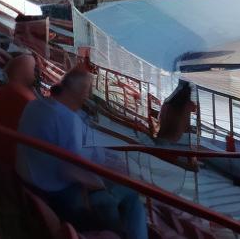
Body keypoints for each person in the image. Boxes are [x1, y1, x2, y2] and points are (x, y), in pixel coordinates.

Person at [16, 69, 147, 239]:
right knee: (130, 196)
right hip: (62, 199)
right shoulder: (68, 120)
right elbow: (72, 171)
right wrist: (103, 183)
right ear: (80, 93)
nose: (87, 97)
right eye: (87, 92)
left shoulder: (35, 105)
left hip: (30, 182)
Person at [0, 54, 37, 167]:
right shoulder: (27, 100)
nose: (35, 74)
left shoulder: (1, 93)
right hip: (14, 165)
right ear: (23, 72)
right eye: (33, 69)